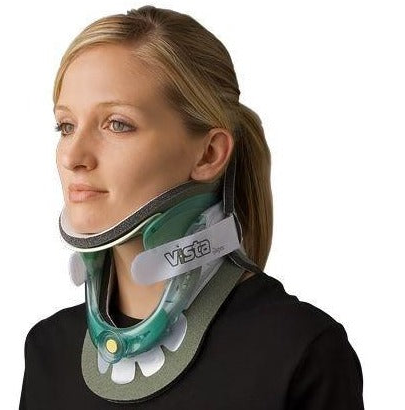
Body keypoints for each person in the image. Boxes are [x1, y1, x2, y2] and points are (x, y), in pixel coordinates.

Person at [19, 5, 364, 409]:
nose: (72, 156)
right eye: (66, 126)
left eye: (117, 124)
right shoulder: (49, 351)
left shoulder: (300, 351)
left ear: (209, 154)